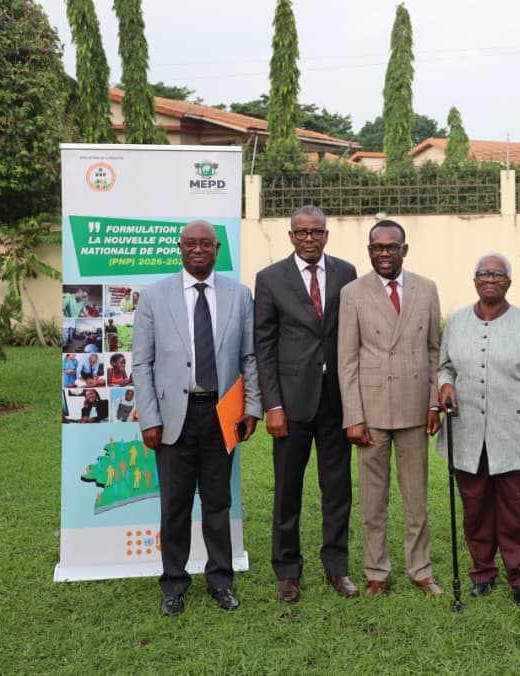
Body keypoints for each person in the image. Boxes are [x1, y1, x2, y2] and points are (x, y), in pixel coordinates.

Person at [133, 220, 261, 617]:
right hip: (174, 416)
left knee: (218, 503)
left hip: (221, 415)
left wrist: (252, 407)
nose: (198, 249)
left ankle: (221, 581)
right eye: (191, 243)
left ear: (217, 249)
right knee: (175, 505)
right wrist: (149, 419)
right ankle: (174, 584)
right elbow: (141, 363)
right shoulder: (154, 296)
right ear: (180, 247)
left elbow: (249, 357)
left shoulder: (240, 295)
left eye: (206, 243)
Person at [438, 253, 520, 606]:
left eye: (498, 274)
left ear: (508, 282)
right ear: (474, 280)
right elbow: (445, 366)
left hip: (518, 433)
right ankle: (482, 573)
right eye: (484, 273)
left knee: (517, 512)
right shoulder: (457, 321)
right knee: (476, 509)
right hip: (467, 432)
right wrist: (445, 385)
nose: (490, 278)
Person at [254, 205, 359, 603]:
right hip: (291, 402)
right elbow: (264, 346)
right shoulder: (269, 278)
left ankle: (337, 568)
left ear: (326, 235)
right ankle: (287, 572)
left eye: (316, 232)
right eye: (302, 232)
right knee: (287, 490)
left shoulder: (346, 273)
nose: (309, 238)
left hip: (336, 400)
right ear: (291, 236)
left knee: (337, 490)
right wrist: (272, 405)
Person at [337, 219, 444, 598]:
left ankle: (421, 570)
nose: (384, 253)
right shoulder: (352, 293)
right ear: (369, 252)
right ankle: (376, 572)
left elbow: (435, 351)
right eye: (377, 247)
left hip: (415, 409)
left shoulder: (426, 288)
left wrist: (434, 402)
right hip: (371, 412)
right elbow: (347, 360)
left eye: (391, 247)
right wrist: (354, 416)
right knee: (373, 501)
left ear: (404, 250)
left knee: (417, 500)